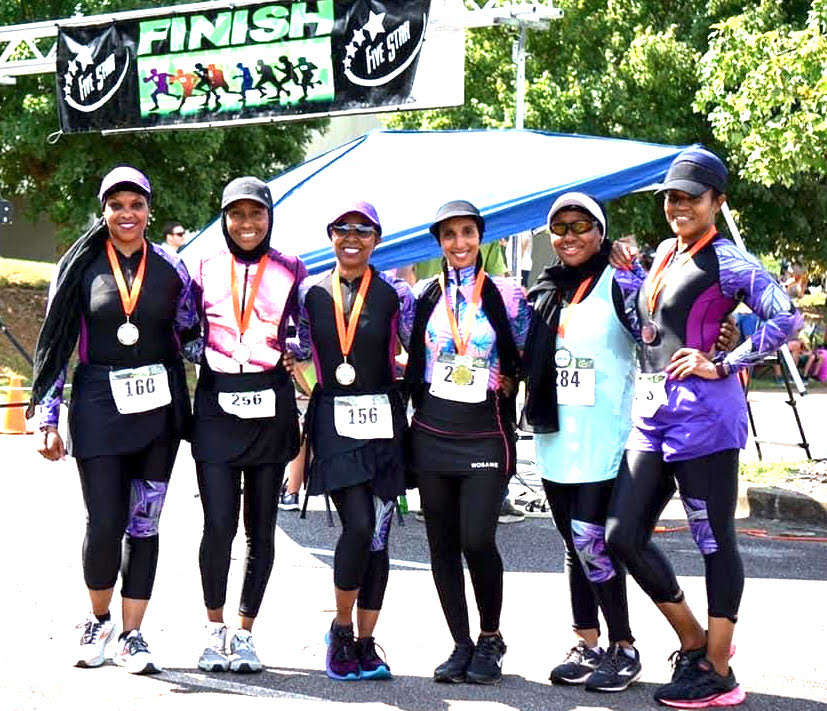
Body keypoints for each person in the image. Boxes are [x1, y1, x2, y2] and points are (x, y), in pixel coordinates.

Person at [605, 148, 798, 708]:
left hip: (706, 419)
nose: (678, 205)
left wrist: (725, 362)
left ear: (717, 201)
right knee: (622, 534)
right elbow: (652, 326)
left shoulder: (731, 261)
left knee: (713, 540)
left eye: (691, 196)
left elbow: (786, 316)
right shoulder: (666, 252)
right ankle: (694, 641)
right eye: (671, 196)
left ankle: (717, 670)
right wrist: (629, 276)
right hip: (653, 416)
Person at [30, 166, 200, 674]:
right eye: (117, 205)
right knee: (104, 522)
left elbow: (191, 334)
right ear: (103, 211)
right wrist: (47, 417)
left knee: (144, 523)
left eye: (136, 205)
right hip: (98, 407)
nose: (127, 214)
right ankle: (98, 620)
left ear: (149, 210)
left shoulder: (172, 267)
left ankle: (133, 634)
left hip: (157, 413)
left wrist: (252, 356)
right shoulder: (78, 265)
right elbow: (56, 343)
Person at [521, 192, 644, 692]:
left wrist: (718, 338)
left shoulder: (621, 279)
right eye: (560, 228)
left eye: (580, 226)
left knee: (592, 539)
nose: (569, 237)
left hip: (603, 437)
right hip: (555, 438)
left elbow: (658, 328)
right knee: (575, 544)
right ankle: (587, 643)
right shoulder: (546, 287)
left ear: (601, 231)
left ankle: (624, 646)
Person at [285, 201, 413, 681]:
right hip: (334, 422)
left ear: (377, 238)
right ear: (330, 235)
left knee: (378, 537)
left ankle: (365, 642)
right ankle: (340, 629)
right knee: (358, 525)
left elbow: (416, 347)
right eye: (343, 229)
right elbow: (297, 345)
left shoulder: (396, 293)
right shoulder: (309, 292)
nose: (352, 237)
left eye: (363, 230)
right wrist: (285, 361)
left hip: (383, 423)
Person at [405, 200, 530, 684]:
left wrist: (512, 376)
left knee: (477, 538)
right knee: (441, 544)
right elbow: (405, 349)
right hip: (433, 431)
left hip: (484, 432)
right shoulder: (423, 295)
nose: (459, 243)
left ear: (481, 237)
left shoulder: (507, 293)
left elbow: (529, 349)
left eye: (467, 233)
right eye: (449, 235)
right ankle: (460, 643)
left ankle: (491, 637)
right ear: (439, 242)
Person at [188, 177, 306, 673]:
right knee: (218, 524)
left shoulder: (291, 267)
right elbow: (183, 328)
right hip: (218, 405)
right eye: (236, 214)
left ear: (269, 217)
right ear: (224, 219)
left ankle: (244, 632)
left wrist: (292, 351)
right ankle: (214, 629)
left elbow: (304, 329)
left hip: (269, 406)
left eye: (256, 213)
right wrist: (208, 354)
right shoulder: (203, 266)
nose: (247, 223)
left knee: (261, 528)